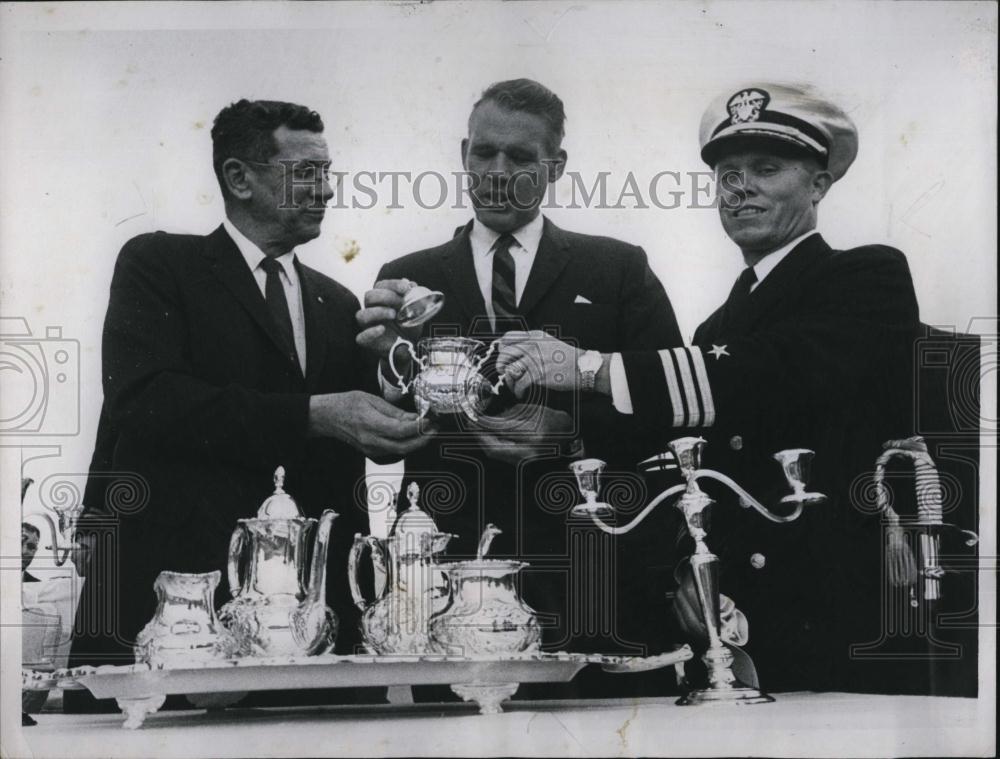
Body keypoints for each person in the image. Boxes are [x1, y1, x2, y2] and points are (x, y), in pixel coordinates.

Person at [496, 83, 927, 693]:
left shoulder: (868, 275)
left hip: (846, 610)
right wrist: (556, 434)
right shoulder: (717, 327)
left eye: (767, 169)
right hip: (738, 613)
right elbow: (687, 461)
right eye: (727, 173)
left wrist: (588, 366)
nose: (740, 186)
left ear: (820, 185)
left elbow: (770, 372)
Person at [67, 99, 432, 709]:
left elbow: (365, 420)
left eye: (327, 171)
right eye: (305, 172)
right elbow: (144, 398)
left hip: (312, 627)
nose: (325, 189)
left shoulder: (339, 303)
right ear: (239, 178)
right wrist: (310, 415)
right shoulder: (159, 264)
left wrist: (399, 367)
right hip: (176, 608)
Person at [355, 79, 683, 681]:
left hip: (598, 570)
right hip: (449, 573)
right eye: (484, 153)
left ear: (556, 165)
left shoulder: (618, 268)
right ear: (463, 155)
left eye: (522, 157)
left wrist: (573, 434)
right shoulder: (406, 280)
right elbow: (388, 412)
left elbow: (670, 408)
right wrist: (385, 364)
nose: (498, 172)